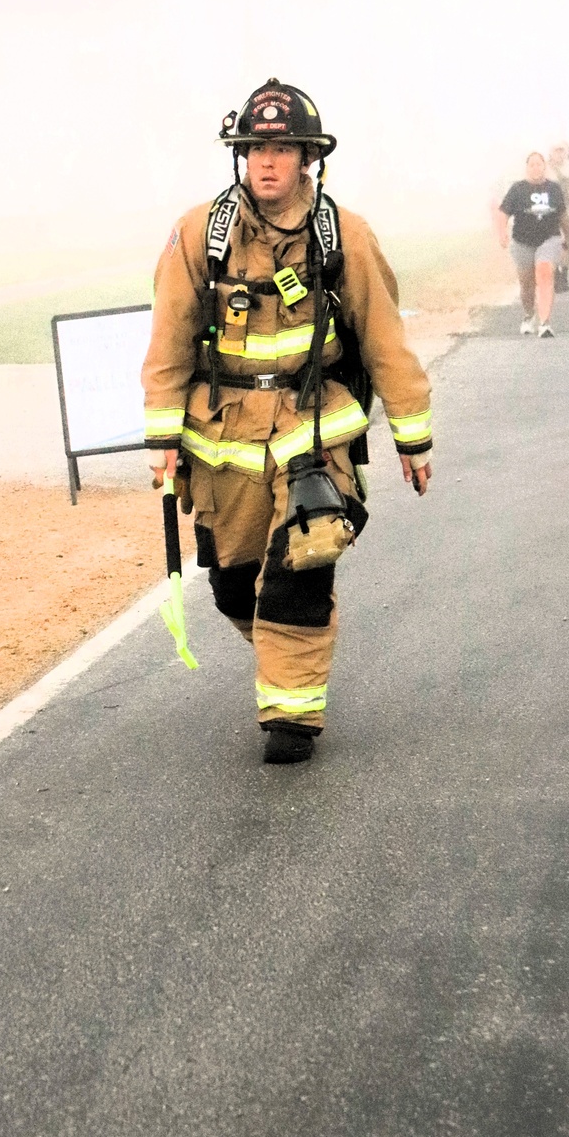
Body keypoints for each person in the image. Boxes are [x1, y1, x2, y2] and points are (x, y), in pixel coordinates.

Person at [142, 78, 432, 765]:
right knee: (235, 587)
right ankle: (286, 652)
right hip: (222, 441)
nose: (266, 162)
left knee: (301, 568)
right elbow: (169, 340)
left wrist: (412, 438)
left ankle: (291, 720)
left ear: (308, 157)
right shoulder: (198, 236)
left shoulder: (344, 237)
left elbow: (387, 341)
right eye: (253, 150)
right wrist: (162, 441)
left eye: (282, 149)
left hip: (311, 434)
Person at [496, 152, 569, 337]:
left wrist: (568, 238)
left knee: (544, 273)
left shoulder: (553, 189)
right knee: (527, 283)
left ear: (544, 167)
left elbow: (563, 216)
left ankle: (545, 323)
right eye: (532, 165)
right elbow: (503, 213)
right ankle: (529, 315)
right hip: (522, 241)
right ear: (527, 167)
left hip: (549, 238)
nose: (536, 168)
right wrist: (502, 233)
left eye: (539, 164)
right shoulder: (518, 189)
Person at [547, 141, 569, 274]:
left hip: (568, 208)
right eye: (556, 150)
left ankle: (563, 269)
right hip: (549, 210)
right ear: (551, 153)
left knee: (567, 238)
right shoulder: (545, 169)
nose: (559, 154)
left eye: (562, 150)